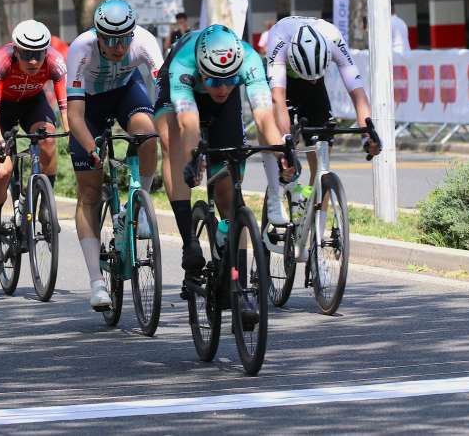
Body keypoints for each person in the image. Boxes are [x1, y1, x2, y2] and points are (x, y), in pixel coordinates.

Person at [154, 23, 294, 277]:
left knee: (228, 190)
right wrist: (193, 157)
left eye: (230, 81)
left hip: (220, 100)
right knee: (172, 140)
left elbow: (264, 118)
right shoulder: (184, 64)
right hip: (181, 92)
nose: (222, 88)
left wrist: (282, 153)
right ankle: (189, 241)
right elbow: (189, 123)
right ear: (202, 70)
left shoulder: (249, 60)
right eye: (214, 81)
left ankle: (237, 279)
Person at [65, 0, 162, 311]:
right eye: (110, 40)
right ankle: (96, 282)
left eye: (124, 39)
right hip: (88, 106)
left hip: (125, 92)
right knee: (89, 192)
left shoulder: (145, 42)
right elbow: (74, 116)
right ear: (98, 35)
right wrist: (91, 148)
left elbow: (166, 94)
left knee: (148, 136)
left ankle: (141, 205)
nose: (119, 47)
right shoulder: (81, 49)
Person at [262, 16, 381, 225]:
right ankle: (275, 194)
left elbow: (359, 95)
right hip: (284, 84)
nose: (313, 79)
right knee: (274, 132)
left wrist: (367, 135)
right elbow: (277, 99)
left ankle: (313, 220)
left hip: (314, 91)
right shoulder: (279, 38)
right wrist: (285, 142)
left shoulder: (333, 38)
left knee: (321, 164)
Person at [0, 20, 68, 265]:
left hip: (33, 104)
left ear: (46, 52)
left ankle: (44, 205)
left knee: (48, 140)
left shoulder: (55, 61)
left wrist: (73, 133)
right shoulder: (1, 61)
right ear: (16, 50)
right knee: (2, 171)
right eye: (27, 54)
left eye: (38, 55)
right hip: (3, 109)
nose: (33, 61)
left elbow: (67, 108)